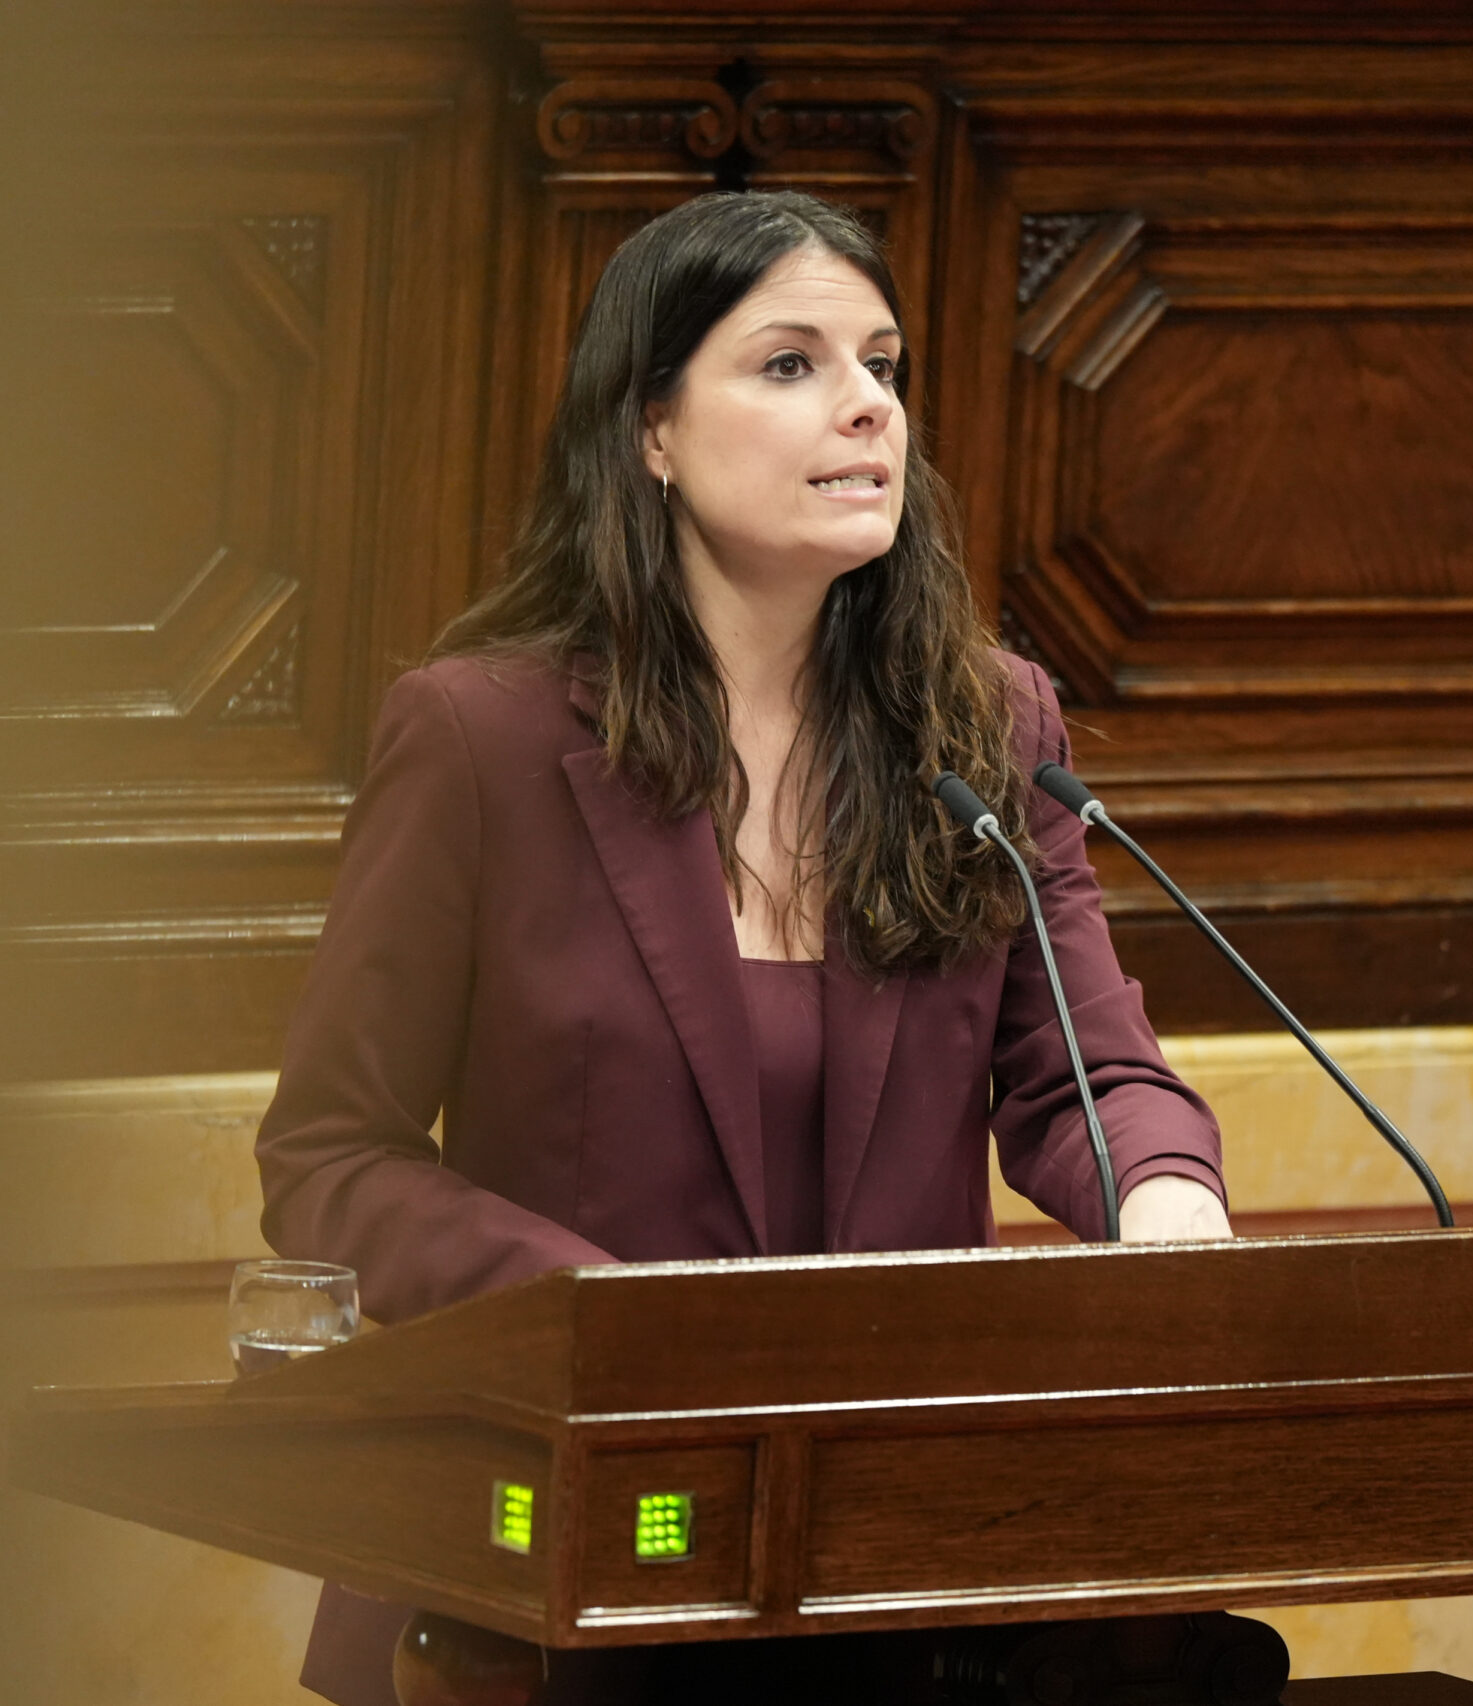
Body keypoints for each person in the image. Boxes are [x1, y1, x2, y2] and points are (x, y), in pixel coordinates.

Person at [254, 190, 1229, 1706]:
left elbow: (1088, 1079)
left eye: (883, 365)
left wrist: (1169, 1206)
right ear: (650, 429)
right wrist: (592, 1312)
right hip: (557, 1550)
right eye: (790, 363)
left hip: (887, 1564)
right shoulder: (478, 737)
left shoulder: (985, 727)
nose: (868, 405)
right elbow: (330, 1155)